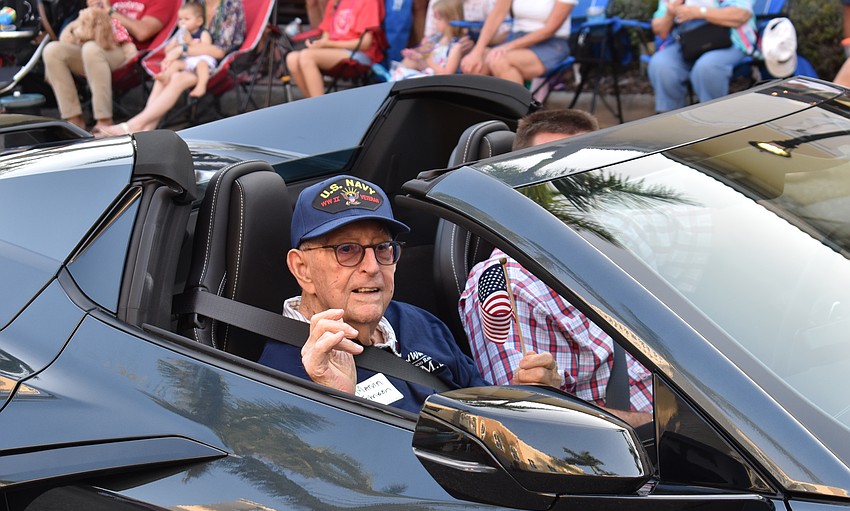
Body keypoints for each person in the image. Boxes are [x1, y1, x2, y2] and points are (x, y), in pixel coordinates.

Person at [258, 175, 561, 413]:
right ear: (302, 270)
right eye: (346, 250)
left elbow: (481, 408)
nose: (372, 267)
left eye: (382, 248)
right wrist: (340, 403)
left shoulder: (418, 322)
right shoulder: (278, 375)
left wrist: (525, 399)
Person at [459, 109, 654, 428]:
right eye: (554, 174)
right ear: (519, 186)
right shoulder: (507, 285)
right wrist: (673, 430)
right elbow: (535, 421)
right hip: (633, 452)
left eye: (586, 171)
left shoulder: (625, 245)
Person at [95, 0, 245, 136]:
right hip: (187, 59)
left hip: (214, 64)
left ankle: (130, 126)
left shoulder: (230, 6)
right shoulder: (195, 3)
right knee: (164, 76)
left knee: (178, 78)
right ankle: (145, 131)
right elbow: (178, 38)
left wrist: (182, 51)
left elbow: (220, 51)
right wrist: (173, 53)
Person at [42, 0, 174, 132]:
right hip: (96, 43)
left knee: (92, 49)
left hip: (129, 53)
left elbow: (143, 32)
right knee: (52, 50)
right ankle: (73, 119)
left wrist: (111, 12)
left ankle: (104, 121)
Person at [647, 0, 756, 113]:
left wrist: (700, 12)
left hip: (729, 42)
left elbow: (742, 15)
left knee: (707, 67)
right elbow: (660, 30)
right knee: (661, 64)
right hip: (688, 45)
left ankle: (712, 117)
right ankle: (670, 117)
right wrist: (670, 13)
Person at [459, 0, 576, 85]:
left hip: (550, 43)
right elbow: (496, 16)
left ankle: (519, 116)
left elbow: (550, 29)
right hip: (516, 38)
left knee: (499, 61)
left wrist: (508, 46)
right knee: (473, 65)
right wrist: (477, 52)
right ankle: (484, 115)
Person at [285, 0, 384, 98]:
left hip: (359, 54)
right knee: (292, 58)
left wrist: (330, 44)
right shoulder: (335, 2)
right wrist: (319, 44)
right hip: (334, 51)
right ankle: (312, 105)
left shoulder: (369, 2)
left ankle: (319, 107)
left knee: (306, 56)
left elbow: (365, 44)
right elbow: (326, 34)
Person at [389, 0, 472, 80]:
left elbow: (447, 73)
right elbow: (424, 55)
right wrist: (415, 55)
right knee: (403, 69)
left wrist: (429, 61)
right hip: (428, 74)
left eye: (439, 19)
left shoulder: (455, 46)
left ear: (452, 20)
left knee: (406, 76)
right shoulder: (437, 38)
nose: (435, 22)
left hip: (438, 81)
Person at [156, 1, 216, 98]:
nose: (182, 22)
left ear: (199, 21)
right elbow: (167, 51)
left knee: (202, 65)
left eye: (187, 19)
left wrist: (191, 42)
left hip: (202, 59)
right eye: (180, 19)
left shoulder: (203, 33)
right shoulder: (179, 35)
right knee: (175, 64)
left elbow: (206, 48)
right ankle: (166, 76)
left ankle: (201, 86)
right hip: (188, 61)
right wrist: (173, 45)